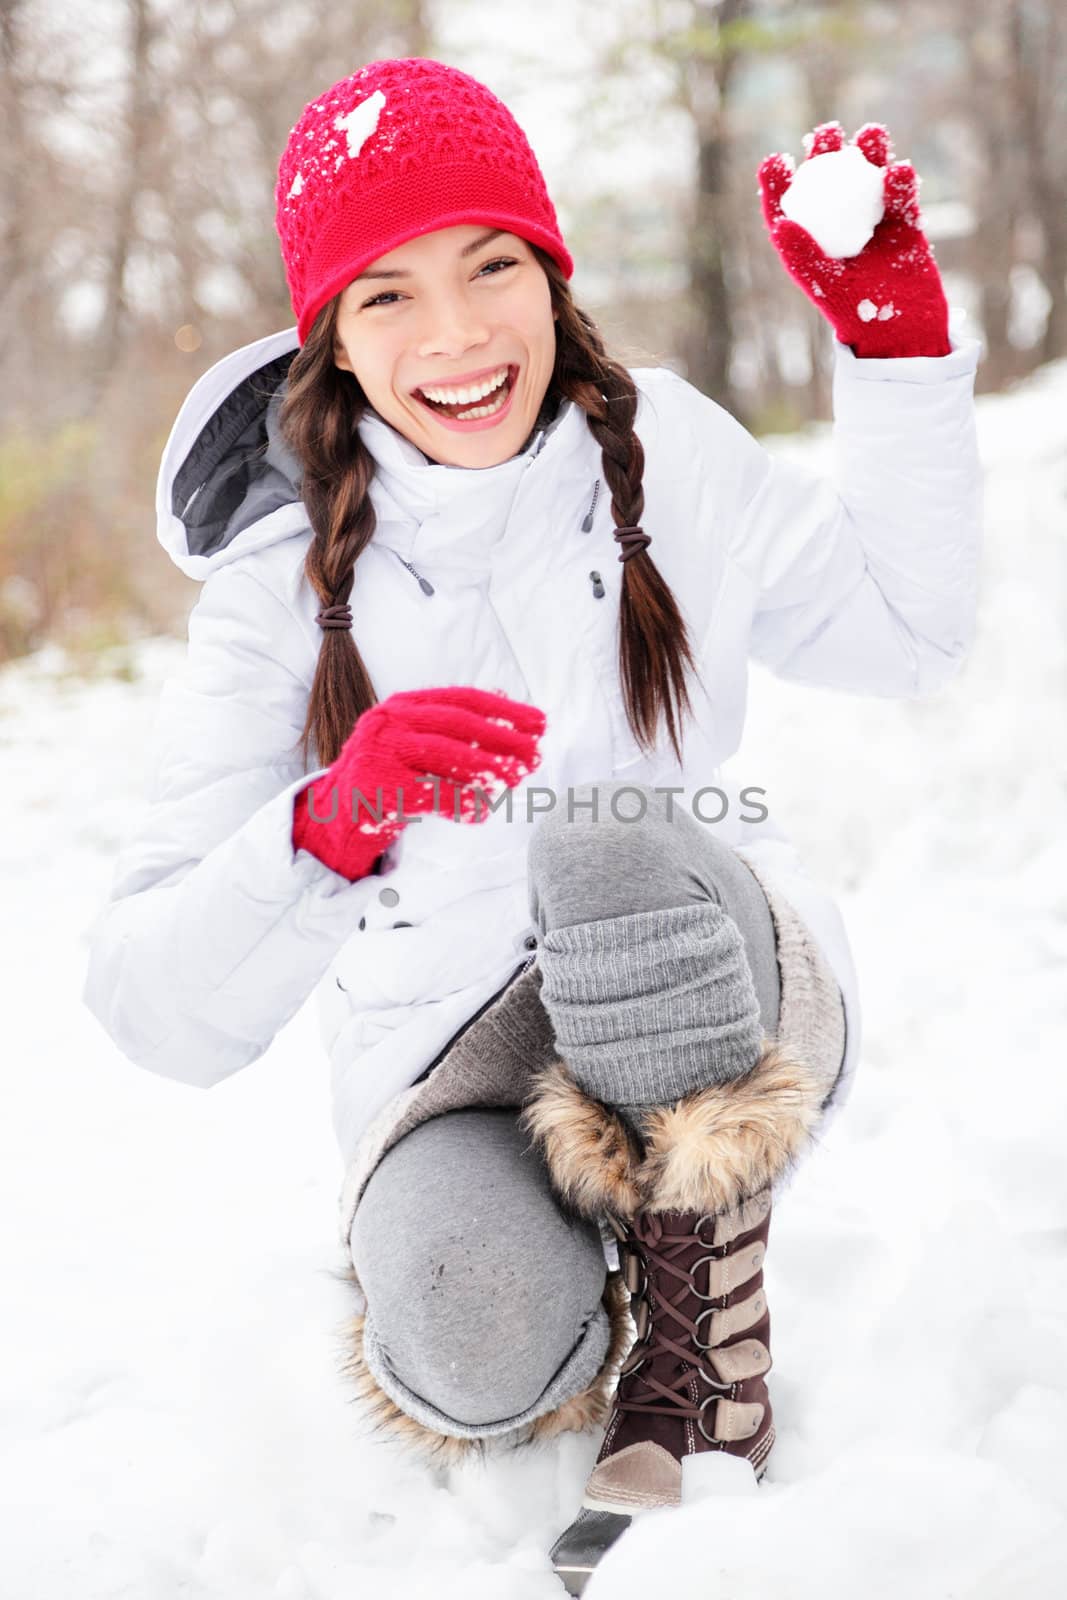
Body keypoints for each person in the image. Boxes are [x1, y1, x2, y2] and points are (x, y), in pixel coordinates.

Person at [81, 56, 982, 1593]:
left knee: (601, 830)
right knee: (471, 1343)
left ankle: (703, 1343)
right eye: (388, 296)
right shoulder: (273, 592)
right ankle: (563, 1273)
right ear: (332, 339)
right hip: (453, 1057)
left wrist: (892, 352)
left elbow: (910, 636)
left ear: (553, 277)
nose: (456, 335)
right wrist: (331, 820)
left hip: (710, 984)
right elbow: (150, 1002)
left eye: (492, 266)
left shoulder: (670, 451)